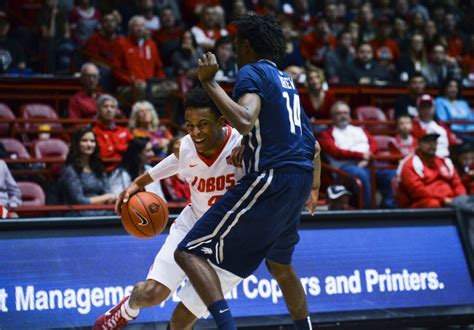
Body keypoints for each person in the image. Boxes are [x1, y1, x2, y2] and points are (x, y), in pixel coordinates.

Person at [174, 14, 319, 330]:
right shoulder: (286, 81)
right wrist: (313, 189)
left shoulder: (251, 72)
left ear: (247, 45)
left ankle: (227, 327)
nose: (236, 51)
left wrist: (209, 82)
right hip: (300, 177)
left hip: (272, 178)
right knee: (280, 264)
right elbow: (314, 146)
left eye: (238, 45)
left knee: (187, 251)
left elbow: (244, 119)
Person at [94, 87, 245, 329]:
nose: (195, 132)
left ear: (221, 121)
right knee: (152, 294)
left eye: (203, 124)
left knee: (182, 319)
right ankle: (126, 308)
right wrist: (138, 183)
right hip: (192, 226)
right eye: (189, 125)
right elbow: (167, 166)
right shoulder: (186, 146)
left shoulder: (241, 144)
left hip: (227, 241)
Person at [319, 101, 396, 209]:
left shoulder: (360, 129)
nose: (343, 116)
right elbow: (336, 152)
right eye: (339, 113)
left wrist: (368, 156)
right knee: (361, 175)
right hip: (343, 169)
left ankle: (389, 207)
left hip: (368, 163)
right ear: (332, 116)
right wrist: (361, 155)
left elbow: (373, 144)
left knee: (391, 174)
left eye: (345, 113)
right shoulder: (326, 134)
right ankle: (367, 212)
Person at [397, 133, 466, 208]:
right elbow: (417, 191)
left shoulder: (444, 161)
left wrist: (460, 198)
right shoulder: (410, 164)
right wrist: (443, 200)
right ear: (418, 144)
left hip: (450, 200)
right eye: (427, 142)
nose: (432, 145)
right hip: (422, 202)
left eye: (434, 142)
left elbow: (457, 183)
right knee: (433, 204)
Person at [58, 127, 115, 216]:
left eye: (92, 141)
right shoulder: (70, 170)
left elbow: (108, 191)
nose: (89, 144)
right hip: (78, 214)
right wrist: (106, 198)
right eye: (84, 141)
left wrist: (108, 198)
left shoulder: (98, 167)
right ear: (77, 143)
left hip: (102, 210)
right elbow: (79, 200)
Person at [111, 15, 165, 102]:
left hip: (150, 85)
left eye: (142, 26)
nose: (139, 28)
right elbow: (116, 70)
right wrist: (132, 81)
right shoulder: (121, 44)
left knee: (173, 86)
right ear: (130, 29)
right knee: (141, 88)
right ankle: (143, 112)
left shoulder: (151, 45)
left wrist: (162, 81)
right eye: (136, 26)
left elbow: (158, 67)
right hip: (129, 86)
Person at [92, 94, 133, 168]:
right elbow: (103, 153)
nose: (109, 110)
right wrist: (120, 148)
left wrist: (113, 148)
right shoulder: (93, 131)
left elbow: (133, 150)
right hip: (99, 168)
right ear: (98, 110)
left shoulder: (124, 131)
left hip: (123, 169)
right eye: (105, 106)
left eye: (112, 107)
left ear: (116, 111)